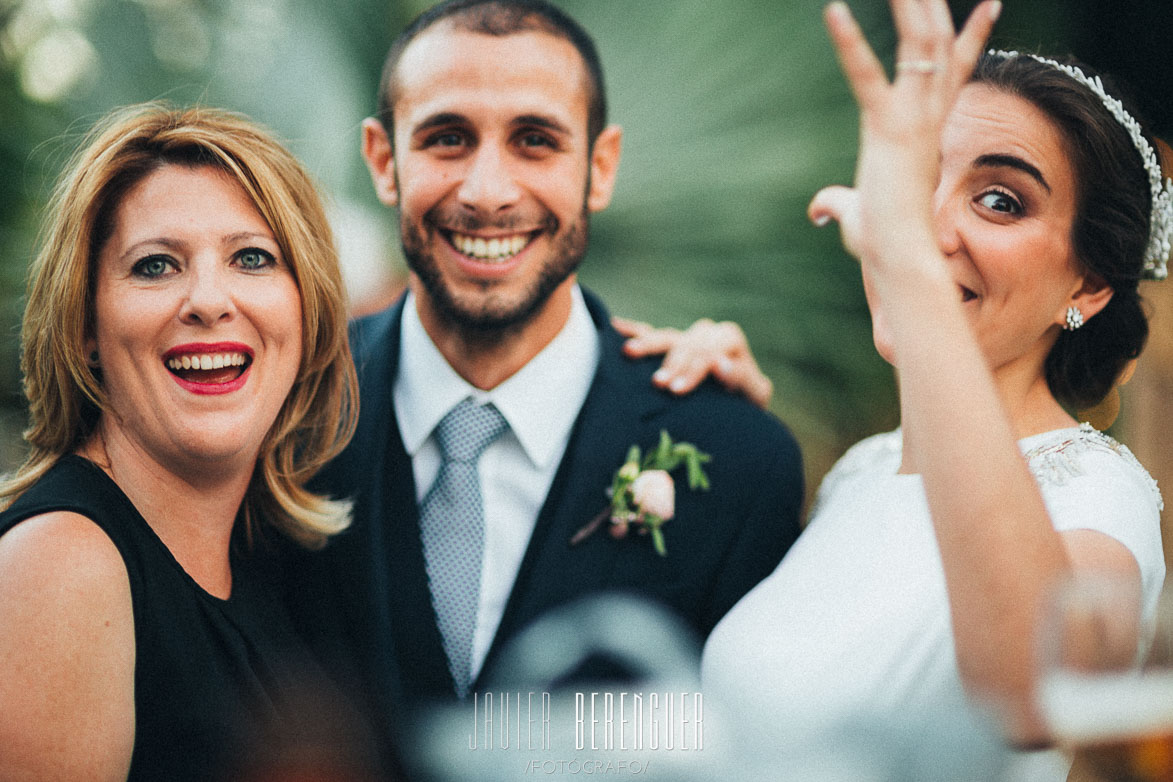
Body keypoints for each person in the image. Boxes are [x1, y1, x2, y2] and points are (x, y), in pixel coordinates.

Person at [285, 0, 805, 752]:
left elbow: (736, 748)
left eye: (534, 141)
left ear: (599, 167)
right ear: (381, 159)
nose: (487, 191)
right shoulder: (281, 415)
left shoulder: (738, 460)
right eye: (446, 138)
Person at [702, 1, 1168, 780]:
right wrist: (718, 422)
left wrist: (911, 265)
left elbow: (1035, 698)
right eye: (915, 180)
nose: (922, 225)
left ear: (1087, 284)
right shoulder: (856, 475)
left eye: (999, 199)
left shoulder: (1098, 492)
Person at [0, 104, 373, 781]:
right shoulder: (63, 564)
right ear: (85, 327)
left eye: (252, 259)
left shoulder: (266, 561)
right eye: (155, 266)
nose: (207, 299)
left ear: (307, 312)